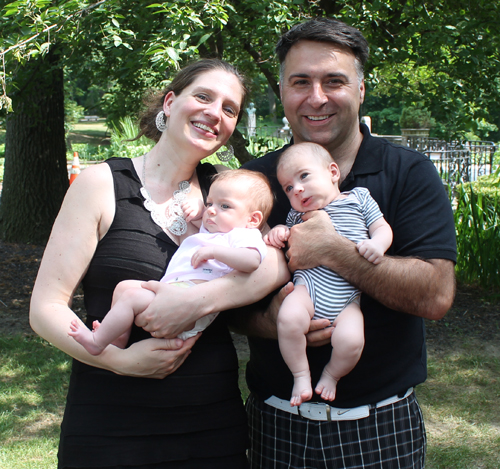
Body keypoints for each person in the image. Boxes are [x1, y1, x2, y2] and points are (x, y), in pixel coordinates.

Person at [30, 58, 289, 469]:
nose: (214, 113)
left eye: (229, 108)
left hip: (210, 420)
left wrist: (200, 300)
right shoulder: (100, 183)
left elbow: (274, 262)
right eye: (203, 96)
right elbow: (45, 309)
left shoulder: (227, 187)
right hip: (110, 420)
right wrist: (120, 361)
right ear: (170, 102)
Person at [237, 18, 457, 468]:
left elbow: (436, 295)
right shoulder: (257, 181)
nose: (316, 97)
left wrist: (334, 251)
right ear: (282, 90)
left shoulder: (408, 173)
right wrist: (269, 319)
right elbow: (223, 303)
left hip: (379, 427)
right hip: (274, 422)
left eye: (333, 81)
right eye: (301, 81)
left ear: (359, 90)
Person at [68, 169, 273, 355]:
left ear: (253, 220)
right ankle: (118, 339)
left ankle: (97, 342)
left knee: (131, 296)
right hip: (174, 291)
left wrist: (215, 252)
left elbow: (252, 261)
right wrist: (198, 210)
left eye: (224, 206)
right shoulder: (214, 229)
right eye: (210, 203)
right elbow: (201, 219)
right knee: (124, 287)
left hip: (191, 306)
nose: (211, 210)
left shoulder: (243, 235)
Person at [264, 142, 393, 406]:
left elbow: (382, 227)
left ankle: (331, 376)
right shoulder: (297, 214)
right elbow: (287, 236)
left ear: (333, 172)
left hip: (347, 299)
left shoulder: (359, 198)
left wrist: (378, 245)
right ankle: (301, 375)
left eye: (304, 176)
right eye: (288, 188)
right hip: (308, 288)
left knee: (352, 340)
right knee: (287, 320)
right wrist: (278, 231)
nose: (297, 188)